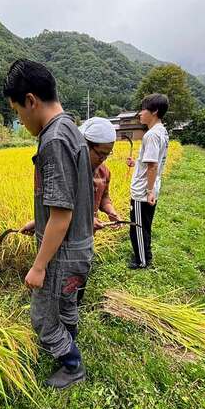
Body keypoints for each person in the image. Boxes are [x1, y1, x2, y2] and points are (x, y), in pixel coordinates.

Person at [5, 58, 94, 389]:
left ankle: (72, 366)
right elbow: (67, 200)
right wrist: (37, 221)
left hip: (63, 254)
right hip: (78, 248)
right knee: (67, 301)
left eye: (17, 111)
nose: (20, 119)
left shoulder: (53, 139)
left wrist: (39, 266)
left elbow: (62, 214)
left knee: (43, 316)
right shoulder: (71, 128)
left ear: (31, 100)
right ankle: (69, 338)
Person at [77, 116, 120, 305]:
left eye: (107, 154)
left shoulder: (104, 172)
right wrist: (85, 220)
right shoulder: (71, 170)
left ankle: (76, 302)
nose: (102, 159)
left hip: (88, 234)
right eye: (100, 153)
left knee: (83, 268)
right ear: (86, 145)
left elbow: (103, 198)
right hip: (67, 235)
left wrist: (111, 210)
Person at [126, 93, 169, 269]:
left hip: (143, 191)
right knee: (145, 225)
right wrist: (135, 163)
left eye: (143, 110)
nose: (140, 114)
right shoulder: (162, 132)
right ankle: (146, 254)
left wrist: (148, 191)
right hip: (151, 187)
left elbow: (152, 165)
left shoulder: (151, 135)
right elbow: (150, 162)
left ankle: (141, 260)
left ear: (155, 111)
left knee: (137, 227)